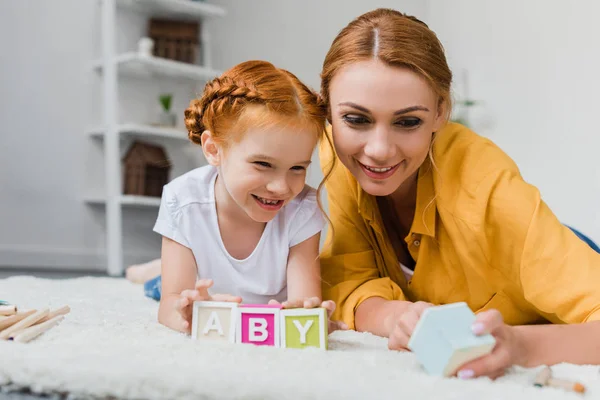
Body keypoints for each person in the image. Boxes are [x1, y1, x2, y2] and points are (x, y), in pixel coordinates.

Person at [318, 8, 600, 379]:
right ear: (326, 109)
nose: (379, 149)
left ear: (441, 112)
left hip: (550, 250)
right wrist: (393, 315)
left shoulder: (487, 189)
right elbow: (350, 277)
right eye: (356, 119)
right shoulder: (337, 155)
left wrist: (522, 345)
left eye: (407, 122)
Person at [151, 60, 344, 334]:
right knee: (158, 286)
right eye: (263, 165)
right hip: (197, 279)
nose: (280, 187)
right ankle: (148, 272)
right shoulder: (182, 201)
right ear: (213, 149)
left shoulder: (303, 208)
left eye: (297, 168)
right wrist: (186, 312)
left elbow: (304, 302)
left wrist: (314, 316)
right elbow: (169, 304)